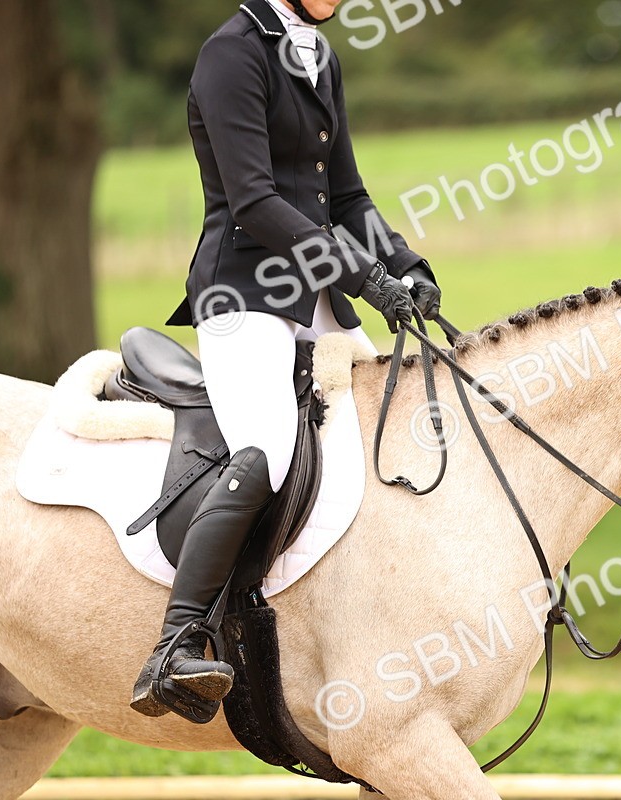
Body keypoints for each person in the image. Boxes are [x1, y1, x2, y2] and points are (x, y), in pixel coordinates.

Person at [131, 0, 441, 718]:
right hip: (244, 294)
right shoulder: (230, 53)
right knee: (266, 450)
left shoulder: (317, 54)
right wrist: (364, 279)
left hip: (320, 301)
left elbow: (348, 194)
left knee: (407, 424)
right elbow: (256, 201)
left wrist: (406, 264)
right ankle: (176, 645)